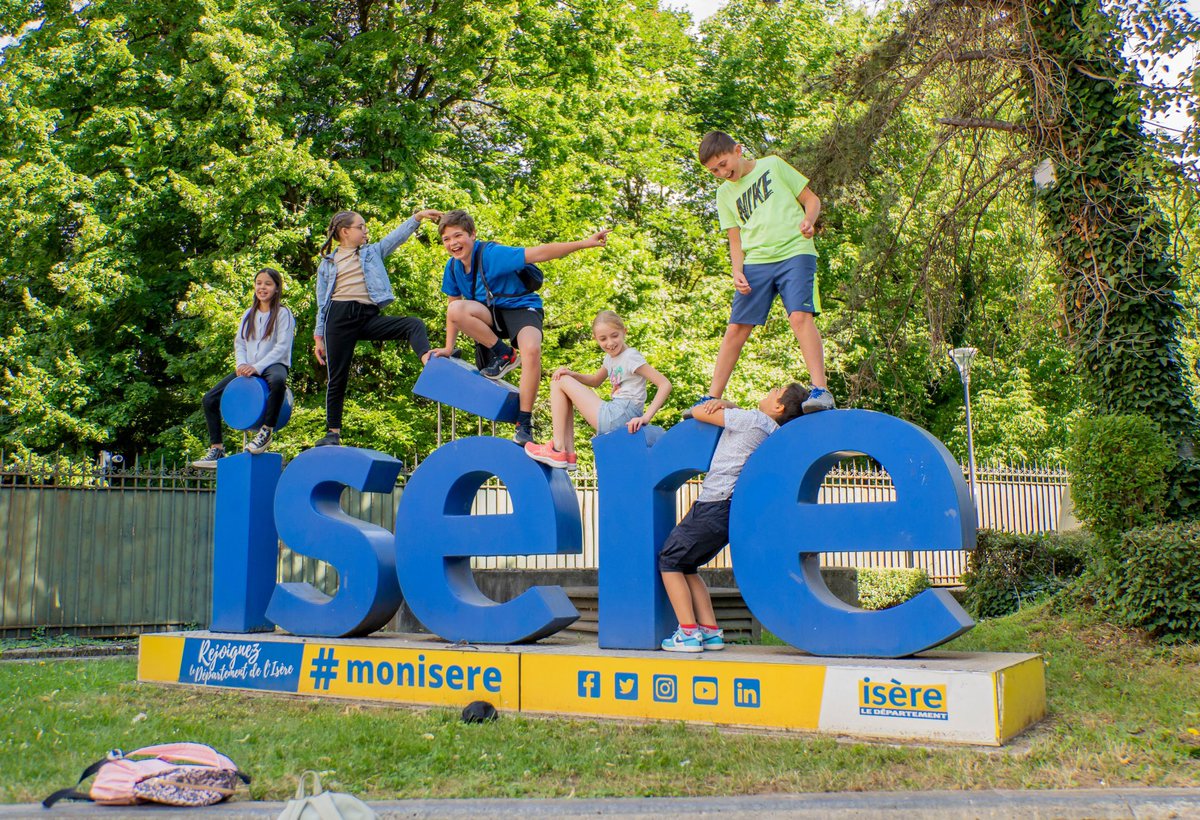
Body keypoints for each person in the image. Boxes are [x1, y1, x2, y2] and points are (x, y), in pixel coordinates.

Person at [430, 209, 610, 445]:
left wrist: (585, 243)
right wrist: (448, 347)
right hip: (491, 315)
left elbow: (542, 252)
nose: (453, 243)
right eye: (447, 239)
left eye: (458, 236)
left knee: (532, 350)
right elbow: (453, 309)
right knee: (455, 310)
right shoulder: (452, 268)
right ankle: (503, 353)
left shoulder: (493, 255)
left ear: (472, 234)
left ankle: (524, 421)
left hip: (521, 307)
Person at [659, 384, 809, 652]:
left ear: (779, 407)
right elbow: (734, 413)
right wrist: (727, 405)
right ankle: (710, 632)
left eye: (774, 391)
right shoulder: (772, 433)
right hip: (730, 511)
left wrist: (713, 404)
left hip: (713, 503)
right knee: (688, 565)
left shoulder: (752, 419)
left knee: (669, 561)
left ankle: (688, 633)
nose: (768, 391)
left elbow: (698, 413)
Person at [697, 130, 836, 414]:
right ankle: (711, 395)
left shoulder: (772, 165)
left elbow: (812, 200)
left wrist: (809, 221)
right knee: (736, 327)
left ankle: (821, 390)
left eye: (723, 164)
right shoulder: (724, 194)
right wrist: (737, 271)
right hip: (757, 260)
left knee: (799, 316)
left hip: (795, 252)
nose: (722, 172)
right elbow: (735, 239)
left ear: (738, 150)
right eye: (714, 171)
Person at [312, 208, 443, 447]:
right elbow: (322, 301)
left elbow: (396, 238)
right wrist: (318, 336)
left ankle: (428, 360)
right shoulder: (327, 263)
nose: (365, 230)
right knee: (337, 377)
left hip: (367, 316)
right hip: (338, 318)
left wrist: (418, 218)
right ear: (345, 232)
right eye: (360, 227)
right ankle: (332, 432)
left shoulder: (372, 252)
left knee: (412, 324)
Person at [524, 310, 672, 471]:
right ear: (596, 339)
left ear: (624, 332)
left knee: (558, 381)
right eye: (603, 339)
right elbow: (595, 381)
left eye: (614, 336)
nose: (610, 343)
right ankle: (568, 454)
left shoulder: (630, 357)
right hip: (617, 413)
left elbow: (664, 384)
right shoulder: (610, 358)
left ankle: (558, 448)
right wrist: (572, 374)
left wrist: (645, 417)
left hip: (620, 413)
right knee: (563, 381)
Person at [192, 267, 295, 467]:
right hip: (248, 366)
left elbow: (282, 346)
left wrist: (257, 367)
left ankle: (266, 430)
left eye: (268, 284)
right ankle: (217, 448)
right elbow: (240, 342)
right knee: (209, 398)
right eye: (259, 283)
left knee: (278, 381)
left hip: (272, 364)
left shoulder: (283, 313)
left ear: (276, 288)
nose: (262, 287)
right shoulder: (249, 314)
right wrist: (241, 364)